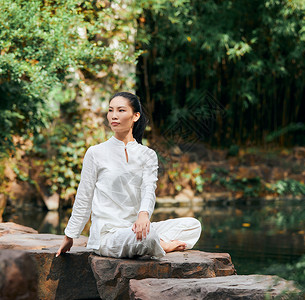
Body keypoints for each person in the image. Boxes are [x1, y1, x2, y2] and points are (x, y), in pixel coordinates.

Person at [56, 92, 201, 258]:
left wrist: (143, 215)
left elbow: (148, 188)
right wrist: (70, 235)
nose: (114, 116)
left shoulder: (147, 154)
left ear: (135, 116)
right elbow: (84, 196)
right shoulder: (96, 153)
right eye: (110, 110)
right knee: (146, 238)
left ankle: (153, 242)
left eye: (121, 110)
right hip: (109, 235)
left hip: (135, 228)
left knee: (193, 225)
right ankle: (161, 245)